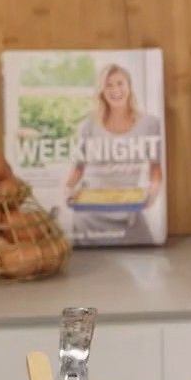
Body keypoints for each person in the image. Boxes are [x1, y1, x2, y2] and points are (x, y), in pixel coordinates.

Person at [63, 62, 164, 245]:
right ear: (102, 91)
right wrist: (68, 190)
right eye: (108, 85)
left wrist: (153, 192)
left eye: (120, 83)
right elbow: (78, 168)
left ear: (129, 86)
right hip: (89, 215)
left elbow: (155, 168)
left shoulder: (150, 124)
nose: (115, 89)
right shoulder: (87, 125)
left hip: (130, 211)